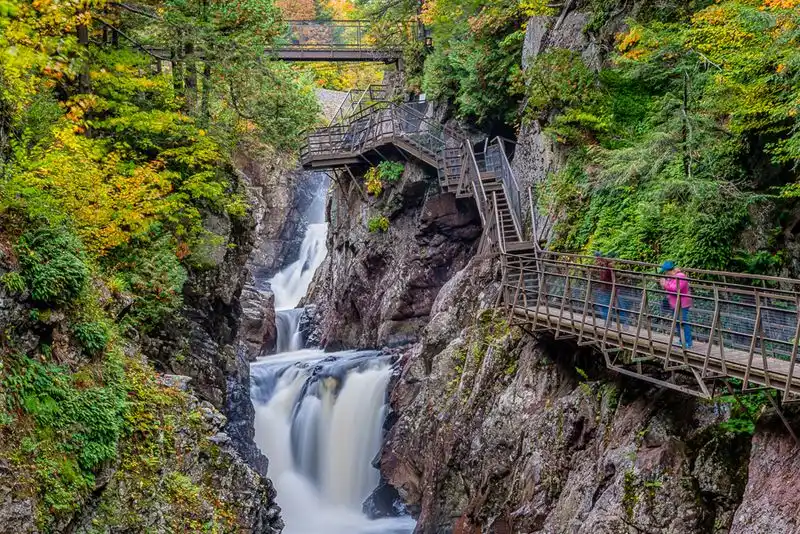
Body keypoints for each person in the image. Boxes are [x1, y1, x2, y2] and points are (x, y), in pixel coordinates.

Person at [658, 260, 693, 349]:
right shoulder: (672, 277)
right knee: (677, 322)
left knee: (683, 322)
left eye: (665, 272)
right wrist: (666, 284)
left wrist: (665, 285)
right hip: (675, 303)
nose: (665, 274)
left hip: (682, 304)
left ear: (669, 271)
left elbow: (676, 288)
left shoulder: (680, 276)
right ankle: (682, 341)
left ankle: (688, 342)